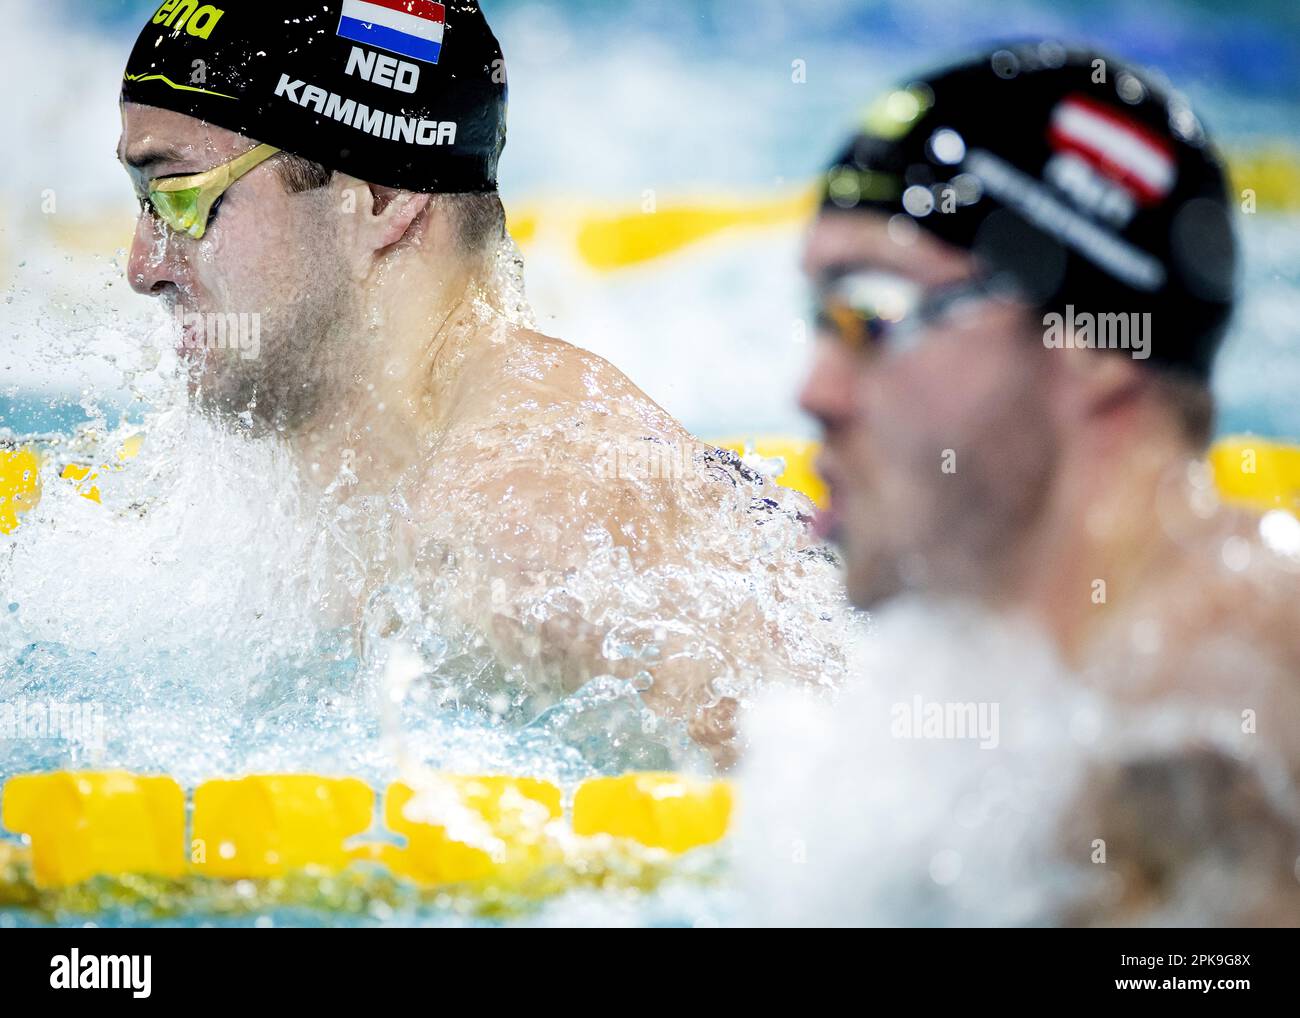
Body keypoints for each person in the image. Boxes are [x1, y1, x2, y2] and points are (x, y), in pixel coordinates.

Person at [117, 1, 848, 766]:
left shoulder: (527, 533)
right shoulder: (336, 470)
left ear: (382, 199)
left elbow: (827, 817)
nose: (143, 266)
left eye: (180, 197)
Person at [755, 41, 1300, 923]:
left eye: (872, 314)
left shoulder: (1213, 704)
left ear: (1090, 344)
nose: (813, 390)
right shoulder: (1008, 678)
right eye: (820, 321)